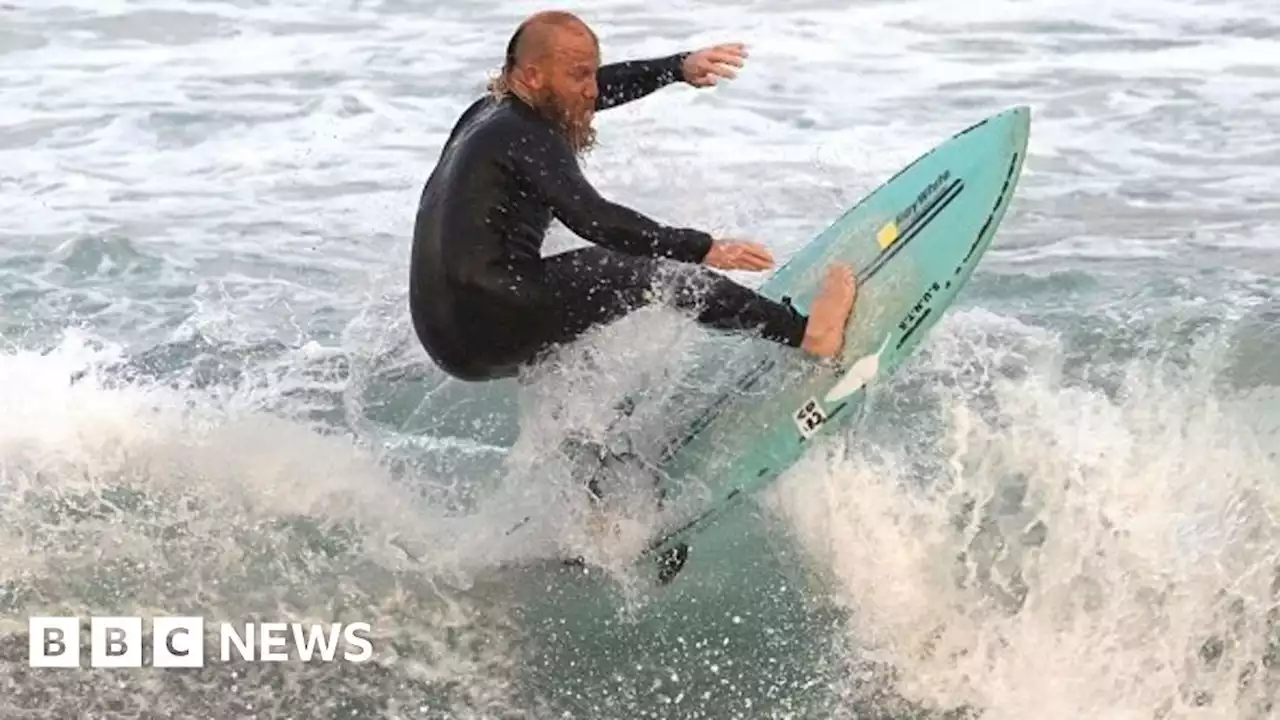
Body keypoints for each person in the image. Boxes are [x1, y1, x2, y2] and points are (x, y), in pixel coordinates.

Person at [409, 10, 857, 382]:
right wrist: (703, 248)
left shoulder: (489, 114)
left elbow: (595, 87)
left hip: (447, 333)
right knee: (655, 276)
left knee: (582, 336)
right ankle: (808, 334)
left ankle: (594, 466)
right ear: (532, 75)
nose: (592, 89)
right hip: (493, 312)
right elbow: (594, 219)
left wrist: (677, 67)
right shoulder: (526, 134)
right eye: (578, 74)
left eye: (591, 72)